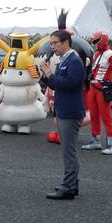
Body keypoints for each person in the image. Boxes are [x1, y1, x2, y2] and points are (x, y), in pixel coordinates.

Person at [39, 30, 86, 200]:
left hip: (70, 111)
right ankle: (72, 184)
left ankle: (68, 187)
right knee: (68, 150)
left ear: (66, 42)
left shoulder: (74, 61)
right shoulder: (65, 60)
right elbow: (57, 83)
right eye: (51, 43)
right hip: (65, 109)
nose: (52, 47)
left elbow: (71, 84)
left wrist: (51, 75)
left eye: (54, 43)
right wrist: (46, 76)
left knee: (68, 151)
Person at [81, 31, 112, 155]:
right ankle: (95, 141)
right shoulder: (96, 54)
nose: (94, 44)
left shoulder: (110, 54)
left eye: (96, 41)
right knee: (93, 115)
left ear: (103, 40)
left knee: (106, 117)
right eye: (93, 41)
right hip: (93, 87)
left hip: (102, 89)